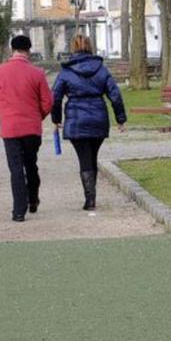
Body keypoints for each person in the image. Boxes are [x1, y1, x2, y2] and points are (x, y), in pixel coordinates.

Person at [50, 35, 127, 210]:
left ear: (73, 48)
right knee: (92, 157)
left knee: (85, 158)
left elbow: (55, 97)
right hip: (98, 117)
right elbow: (115, 95)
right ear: (91, 47)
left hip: (76, 119)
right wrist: (120, 119)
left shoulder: (67, 72)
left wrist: (56, 119)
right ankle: (91, 196)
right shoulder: (101, 70)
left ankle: (90, 199)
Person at [0, 35, 53, 221]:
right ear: (29, 50)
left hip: (10, 128)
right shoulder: (37, 73)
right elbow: (47, 102)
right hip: (31, 127)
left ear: (11, 49)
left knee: (15, 168)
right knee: (31, 164)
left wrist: (3, 114)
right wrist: (38, 116)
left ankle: (18, 211)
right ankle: (33, 199)